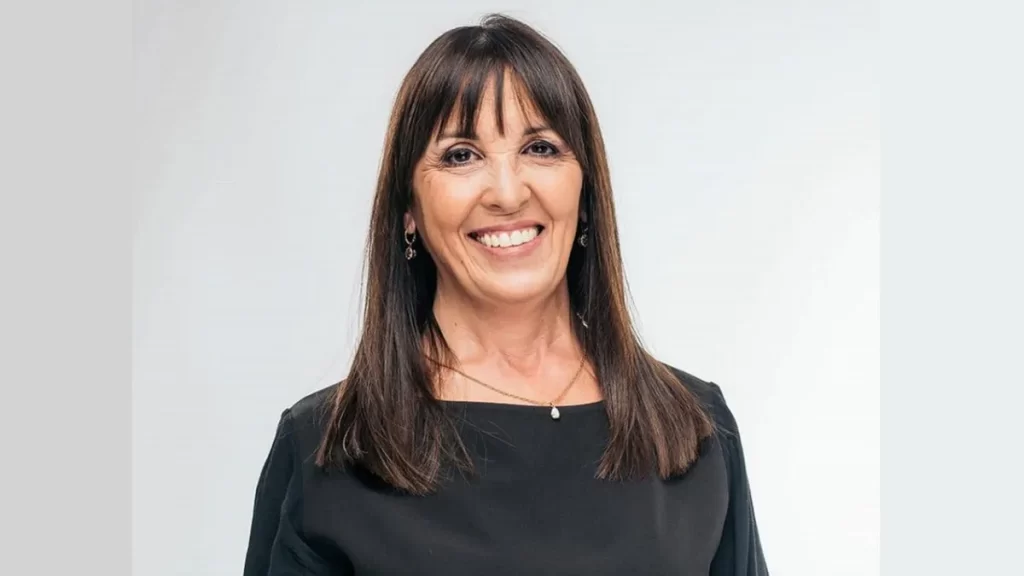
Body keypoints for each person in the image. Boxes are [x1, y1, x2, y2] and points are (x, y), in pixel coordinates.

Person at [243, 13, 767, 576]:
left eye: (540, 148)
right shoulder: (327, 448)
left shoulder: (696, 430)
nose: (508, 193)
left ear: (585, 191)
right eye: (460, 155)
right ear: (408, 208)